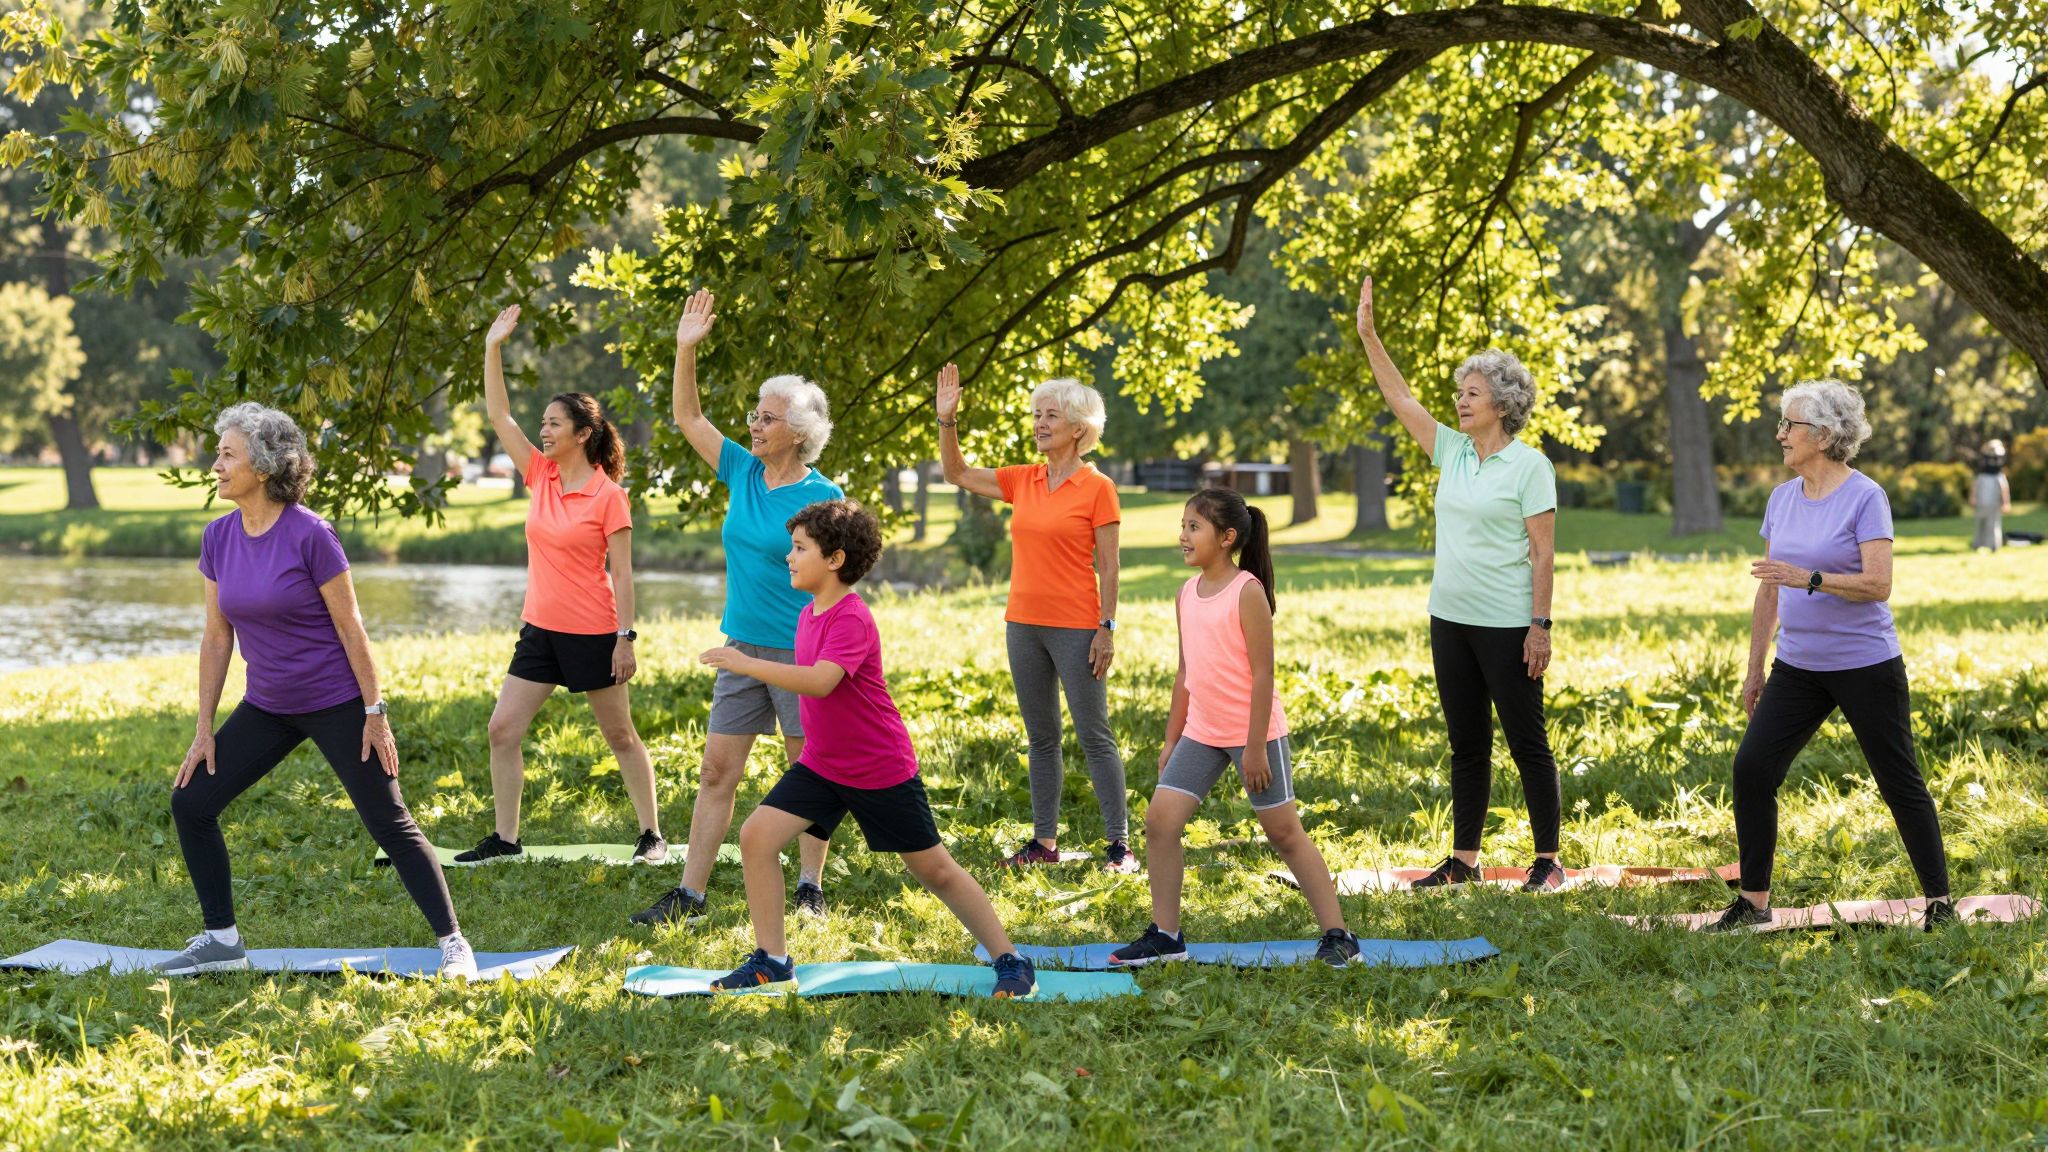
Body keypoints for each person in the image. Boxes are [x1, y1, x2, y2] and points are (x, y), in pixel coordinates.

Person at [159, 404, 475, 978]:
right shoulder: (218, 537)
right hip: (268, 705)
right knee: (191, 801)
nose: (215, 466)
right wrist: (204, 729)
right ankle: (222, 940)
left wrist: (375, 712)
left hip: (337, 703)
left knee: (389, 820)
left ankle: (454, 944)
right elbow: (216, 637)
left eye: (227, 455)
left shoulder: (311, 534)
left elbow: (352, 628)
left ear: (262, 466)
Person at [700, 500, 1037, 997]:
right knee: (756, 837)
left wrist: (747, 664)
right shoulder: (808, 614)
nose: (788, 557)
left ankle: (1010, 958)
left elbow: (821, 681)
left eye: (800, 549)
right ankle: (772, 960)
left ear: (835, 559)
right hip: (822, 765)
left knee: (934, 870)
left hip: (878, 768)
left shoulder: (851, 617)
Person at [1706, 380, 1954, 933]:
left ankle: (1939, 902)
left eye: (1788, 425)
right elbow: (1770, 588)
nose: (1780, 435)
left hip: (1865, 664)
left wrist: (1811, 578)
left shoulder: (1866, 497)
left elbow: (1879, 584)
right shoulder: (1782, 498)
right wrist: (1754, 667)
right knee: (1752, 768)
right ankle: (1753, 901)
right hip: (1798, 667)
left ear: (1822, 435)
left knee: (1898, 779)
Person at [632, 289, 844, 927]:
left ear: (798, 433)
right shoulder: (742, 471)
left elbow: (837, 581)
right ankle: (690, 894)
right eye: (755, 414)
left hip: (800, 651)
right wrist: (685, 349)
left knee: (807, 769)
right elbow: (688, 416)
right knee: (716, 770)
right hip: (741, 646)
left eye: (768, 418)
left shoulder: (823, 496)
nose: (755, 425)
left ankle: (810, 885)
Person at [1355, 275, 1567, 891]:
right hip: (1449, 618)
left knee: (1527, 742)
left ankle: (1548, 862)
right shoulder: (1450, 451)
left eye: (1472, 393)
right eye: (1459, 392)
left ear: (1502, 404)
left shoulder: (1530, 466)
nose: (1459, 401)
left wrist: (1540, 626)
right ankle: (1464, 861)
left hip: (1508, 624)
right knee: (1467, 744)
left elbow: (1544, 553)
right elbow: (1400, 399)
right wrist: (1369, 336)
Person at [1109, 489, 1361, 968]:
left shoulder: (1247, 591)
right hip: (1201, 732)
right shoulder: (1186, 593)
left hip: (1254, 734)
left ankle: (1339, 935)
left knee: (1284, 833)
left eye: (1194, 527)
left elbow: (1264, 675)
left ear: (1226, 538)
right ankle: (1166, 936)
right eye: (1183, 526)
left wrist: (1256, 747)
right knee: (1160, 822)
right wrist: (1171, 739)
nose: (1183, 536)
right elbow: (1186, 672)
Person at [457, 305, 664, 863]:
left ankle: (651, 834)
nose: (543, 431)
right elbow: (499, 415)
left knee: (619, 736)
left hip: (594, 632)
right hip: (540, 630)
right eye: (543, 423)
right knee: (502, 730)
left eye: (553, 424)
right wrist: (492, 346)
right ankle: (506, 840)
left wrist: (626, 638)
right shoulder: (541, 475)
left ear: (583, 433)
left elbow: (622, 573)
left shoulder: (609, 496)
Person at [935, 363, 1134, 872]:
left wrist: (1106, 628)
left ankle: (1119, 845)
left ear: (1079, 428)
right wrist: (947, 420)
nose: (1039, 423)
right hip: (1023, 625)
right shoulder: (1024, 479)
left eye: (1051, 416)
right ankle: (1044, 843)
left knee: (1094, 734)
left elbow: (1110, 566)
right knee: (1041, 737)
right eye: (1037, 415)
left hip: (1077, 627)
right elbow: (957, 474)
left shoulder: (1098, 487)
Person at [1973, 439, 2011, 552]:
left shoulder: (1999, 476)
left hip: (1994, 503)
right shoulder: (1981, 476)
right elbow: (1975, 486)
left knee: (1993, 524)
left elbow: (2004, 489)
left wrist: (2006, 503)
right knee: (1980, 523)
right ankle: (1978, 544)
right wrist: (1973, 498)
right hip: (1982, 502)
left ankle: (1994, 545)